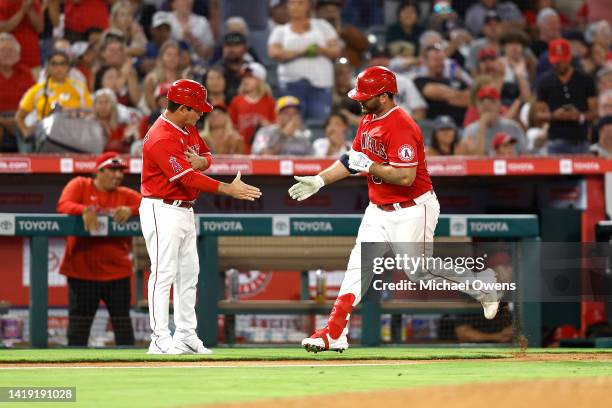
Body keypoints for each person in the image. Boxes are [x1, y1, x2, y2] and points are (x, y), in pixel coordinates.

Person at [288, 66, 501, 353]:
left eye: (366, 95)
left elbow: (405, 177)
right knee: (357, 267)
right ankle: (334, 332)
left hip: (412, 208)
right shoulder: (368, 119)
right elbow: (352, 160)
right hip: (378, 209)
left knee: (419, 273)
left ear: (385, 96)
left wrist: (371, 166)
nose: (360, 100)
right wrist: (319, 180)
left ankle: (482, 286)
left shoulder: (402, 124)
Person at [139, 79, 261, 355]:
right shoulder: (161, 136)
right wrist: (226, 188)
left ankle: (184, 335)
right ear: (182, 108)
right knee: (164, 273)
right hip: (162, 207)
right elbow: (185, 176)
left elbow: (206, 156)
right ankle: (159, 337)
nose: (201, 114)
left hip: (184, 209)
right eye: (196, 110)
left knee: (188, 274)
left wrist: (202, 162)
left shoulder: (187, 127)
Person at [57, 152, 141, 347]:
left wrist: (131, 210)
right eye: (113, 170)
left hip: (116, 273)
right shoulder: (80, 185)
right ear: (99, 171)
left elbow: (150, 204)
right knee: (79, 329)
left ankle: (130, 373)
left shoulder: (125, 195)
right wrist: (84, 210)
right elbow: (63, 204)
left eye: (120, 171)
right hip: (82, 272)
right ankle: (74, 371)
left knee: (123, 327)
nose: (118, 175)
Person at [268, 0, 341, 122]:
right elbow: (274, 53)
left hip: (320, 85)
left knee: (320, 123)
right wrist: (302, 52)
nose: (296, 7)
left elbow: (336, 50)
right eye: (292, 3)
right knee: (292, 124)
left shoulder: (322, 26)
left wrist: (321, 50)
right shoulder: (280, 31)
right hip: (291, 85)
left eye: (300, 3)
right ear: (288, 6)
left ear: (308, 5)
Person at [535, 39, 597, 154]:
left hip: (581, 140)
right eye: (556, 61)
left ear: (569, 58)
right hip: (555, 140)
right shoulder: (544, 81)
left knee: (583, 171)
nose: (559, 64)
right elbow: (538, 115)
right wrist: (555, 115)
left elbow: (594, 112)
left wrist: (579, 116)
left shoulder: (585, 80)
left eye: (562, 61)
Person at [15, 50, 92, 142]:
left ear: (68, 68)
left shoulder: (79, 87)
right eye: (54, 64)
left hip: (74, 135)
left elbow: (90, 112)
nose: (59, 68)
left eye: (62, 64)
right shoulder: (38, 90)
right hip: (45, 136)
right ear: (48, 68)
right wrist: (26, 132)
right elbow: (19, 117)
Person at [460, 85, 526, 156]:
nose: (486, 103)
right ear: (477, 106)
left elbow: (524, 155)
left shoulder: (512, 127)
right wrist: (482, 125)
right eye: (482, 101)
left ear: (499, 104)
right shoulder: (470, 130)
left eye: (491, 100)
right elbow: (474, 160)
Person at [414, 44, 470, 126]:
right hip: (434, 128)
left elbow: (472, 99)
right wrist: (460, 96)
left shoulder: (457, 80)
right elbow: (435, 92)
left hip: (461, 126)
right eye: (436, 60)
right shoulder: (420, 81)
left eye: (442, 60)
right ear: (426, 62)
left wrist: (452, 97)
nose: (440, 63)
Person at [228, 62, 276, 153]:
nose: (245, 80)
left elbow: (276, 129)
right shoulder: (236, 101)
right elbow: (231, 126)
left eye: (250, 77)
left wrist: (268, 126)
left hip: (262, 151)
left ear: (259, 80)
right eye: (244, 77)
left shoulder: (270, 102)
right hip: (241, 150)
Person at [0, 33, 34, 152]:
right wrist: (4, 121)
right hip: (1, 116)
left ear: (17, 54)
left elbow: (34, 99)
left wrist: (18, 119)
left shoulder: (25, 71)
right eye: (3, 50)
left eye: (11, 50)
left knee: (28, 126)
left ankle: (29, 165)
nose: (8, 54)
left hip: (22, 115)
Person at [0, 0, 43, 72]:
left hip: (31, 58)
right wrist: (22, 11)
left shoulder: (33, 2)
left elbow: (39, 28)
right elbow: (3, 29)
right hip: (7, 60)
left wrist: (29, 10)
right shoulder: (2, 2)